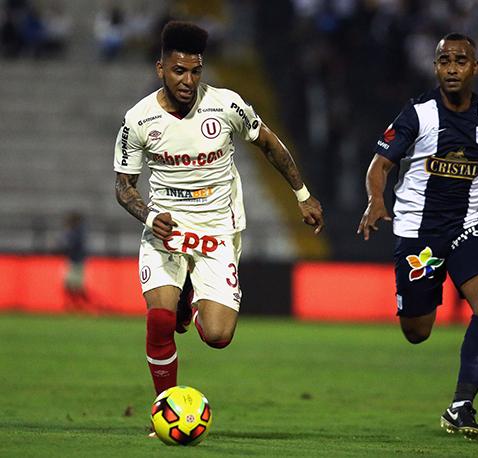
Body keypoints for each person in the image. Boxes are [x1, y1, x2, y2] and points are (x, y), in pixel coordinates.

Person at [113, 21, 324, 416]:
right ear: (161, 68)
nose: (188, 80)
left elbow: (268, 142)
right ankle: (164, 408)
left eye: (196, 71)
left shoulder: (226, 105)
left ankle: (188, 294)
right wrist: (148, 215)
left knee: (218, 335)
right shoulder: (138, 120)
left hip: (216, 231)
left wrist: (303, 194)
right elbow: (124, 187)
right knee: (159, 320)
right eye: (179, 71)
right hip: (165, 231)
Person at [357, 33, 478, 440]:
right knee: (417, 331)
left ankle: (461, 405)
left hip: (466, 228)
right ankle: (424, 321)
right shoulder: (418, 114)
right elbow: (380, 165)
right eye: (444, 61)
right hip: (417, 233)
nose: (452, 68)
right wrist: (376, 201)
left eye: (460, 61)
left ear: (475, 67)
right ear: (435, 68)